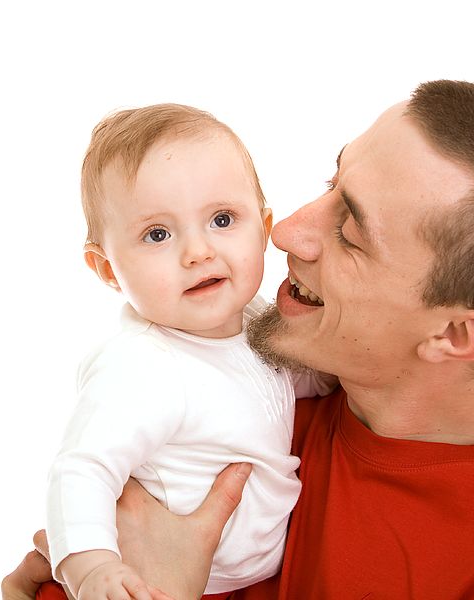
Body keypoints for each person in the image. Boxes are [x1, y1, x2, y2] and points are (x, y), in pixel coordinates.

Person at [5, 80, 474, 599]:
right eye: (330, 182)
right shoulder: (246, 405)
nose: (286, 232)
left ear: (454, 334)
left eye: (350, 232)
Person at [39, 104, 335, 600]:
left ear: (263, 229)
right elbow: (82, 468)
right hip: (175, 582)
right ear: (108, 269)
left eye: (222, 219)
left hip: (265, 576)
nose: (197, 251)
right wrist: (91, 568)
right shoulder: (142, 366)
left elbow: (284, 381)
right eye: (158, 234)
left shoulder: (257, 321)